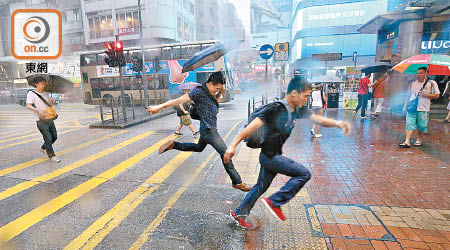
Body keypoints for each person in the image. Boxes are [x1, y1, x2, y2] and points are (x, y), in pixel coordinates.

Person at [223, 78, 351, 229]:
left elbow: (318, 120)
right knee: (304, 174)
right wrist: (232, 146)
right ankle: (275, 201)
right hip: (270, 158)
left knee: (260, 187)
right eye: (305, 96)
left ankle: (239, 213)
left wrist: (337, 123)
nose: (306, 99)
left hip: (272, 155)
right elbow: (251, 127)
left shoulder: (296, 109)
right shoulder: (276, 109)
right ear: (295, 93)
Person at [147, 72, 251, 192]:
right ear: (211, 83)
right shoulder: (199, 92)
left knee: (198, 147)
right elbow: (179, 100)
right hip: (209, 131)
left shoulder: (210, 94)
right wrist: (158, 107)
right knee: (226, 154)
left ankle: (174, 144)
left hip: (207, 129)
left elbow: (214, 106)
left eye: (219, 89)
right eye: (217, 88)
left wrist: (220, 93)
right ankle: (237, 182)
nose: (217, 91)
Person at [398, 67, 440, 148]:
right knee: (409, 123)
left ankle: (419, 139)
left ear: (426, 73)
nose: (418, 75)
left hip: (424, 108)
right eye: (417, 73)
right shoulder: (412, 84)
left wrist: (426, 94)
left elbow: (437, 95)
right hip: (412, 108)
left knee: (421, 125)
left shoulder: (432, 83)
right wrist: (404, 107)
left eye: (421, 73)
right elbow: (408, 96)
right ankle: (407, 141)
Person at [26, 76, 61, 163]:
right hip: (40, 119)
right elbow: (28, 105)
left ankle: (43, 148)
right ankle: (51, 155)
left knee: (54, 136)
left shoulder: (46, 93)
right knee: (48, 138)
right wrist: (37, 110)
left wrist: (51, 102)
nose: (44, 85)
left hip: (49, 118)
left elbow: (48, 105)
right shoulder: (31, 94)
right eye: (41, 83)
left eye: (44, 83)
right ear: (36, 84)